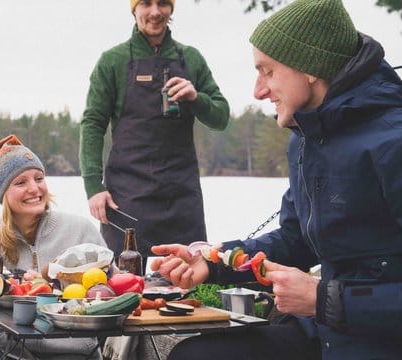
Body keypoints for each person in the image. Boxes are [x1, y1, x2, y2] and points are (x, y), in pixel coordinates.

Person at [150, 1, 402, 359]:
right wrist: (213, 262)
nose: (258, 91)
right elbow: (296, 238)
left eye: (267, 72)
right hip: (324, 334)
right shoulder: (307, 136)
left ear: (310, 68)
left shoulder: (393, 142)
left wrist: (322, 299)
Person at [79, 0, 230, 262]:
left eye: (163, 3)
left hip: (182, 195)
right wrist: (93, 186)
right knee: (123, 284)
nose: (155, 12)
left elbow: (221, 116)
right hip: (126, 196)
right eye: (146, 3)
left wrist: (196, 97)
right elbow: (93, 123)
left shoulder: (190, 58)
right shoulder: (113, 61)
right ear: (134, 9)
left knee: (189, 284)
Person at [0, 134, 107, 360]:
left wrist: (55, 285)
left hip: (74, 353)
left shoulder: (80, 229)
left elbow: (109, 300)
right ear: (3, 194)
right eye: (21, 182)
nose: (34, 189)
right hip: (12, 353)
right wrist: (7, 292)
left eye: (39, 178)